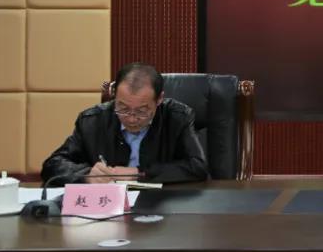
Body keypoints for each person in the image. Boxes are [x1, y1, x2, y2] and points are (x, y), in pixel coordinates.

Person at [41, 62, 208, 185]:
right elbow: (53, 164)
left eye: (142, 111)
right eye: (123, 108)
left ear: (159, 99)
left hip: (160, 206)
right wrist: (86, 175)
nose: (131, 118)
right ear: (114, 95)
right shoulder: (92, 121)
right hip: (107, 208)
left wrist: (140, 173)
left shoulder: (177, 118)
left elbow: (197, 167)